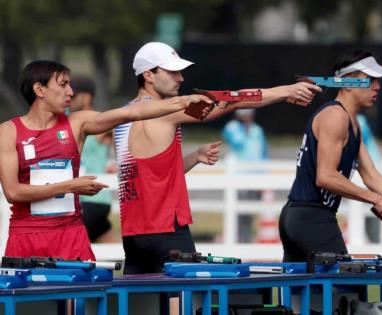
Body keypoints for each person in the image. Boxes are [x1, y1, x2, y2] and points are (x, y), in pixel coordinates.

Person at [115, 41, 322, 274]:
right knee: (182, 304)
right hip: (167, 232)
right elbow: (233, 101)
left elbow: (153, 175)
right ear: (148, 75)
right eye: (172, 72)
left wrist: (195, 156)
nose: (180, 78)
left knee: (138, 306)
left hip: (133, 236)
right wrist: (286, 91)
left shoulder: (123, 119)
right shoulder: (168, 112)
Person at [0, 60, 212, 261]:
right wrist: (70, 186)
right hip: (25, 236)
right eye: (63, 84)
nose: (71, 92)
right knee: (24, 300)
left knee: (80, 299)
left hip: (71, 236)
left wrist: (183, 101)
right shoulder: (8, 132)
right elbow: (13, 192)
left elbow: (133, 112)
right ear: (39, 89)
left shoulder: (78, 123)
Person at [279, 49, 382, 262]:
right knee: (350, 289)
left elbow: (372, 176)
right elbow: (326, 177)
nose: (377, 87)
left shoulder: (353, 124)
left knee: (304, 293)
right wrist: (377, 199)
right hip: (311, 218)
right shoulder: (335, 116)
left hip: (303, 217)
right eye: (370, 80)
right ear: (348, 82)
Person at [70, 76, 118, 243]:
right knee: (117, 249)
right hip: (74, 198)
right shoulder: (67, 120)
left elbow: (128, 137)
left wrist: (117, 163)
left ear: (87, 96)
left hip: (94, 199)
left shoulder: (100, 122)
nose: (69, 99)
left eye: (74, 96)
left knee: (69, 247)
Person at [222, 108, 268, 242]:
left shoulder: (257, 130)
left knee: (250, 212)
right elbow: (237, 144)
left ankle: (246, 240)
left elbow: (263, 153)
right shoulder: (231, 128)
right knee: (238, 213)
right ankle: (237, 239)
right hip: (239, 176)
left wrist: (263, 177)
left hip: (256, 177)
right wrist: (245, 128)